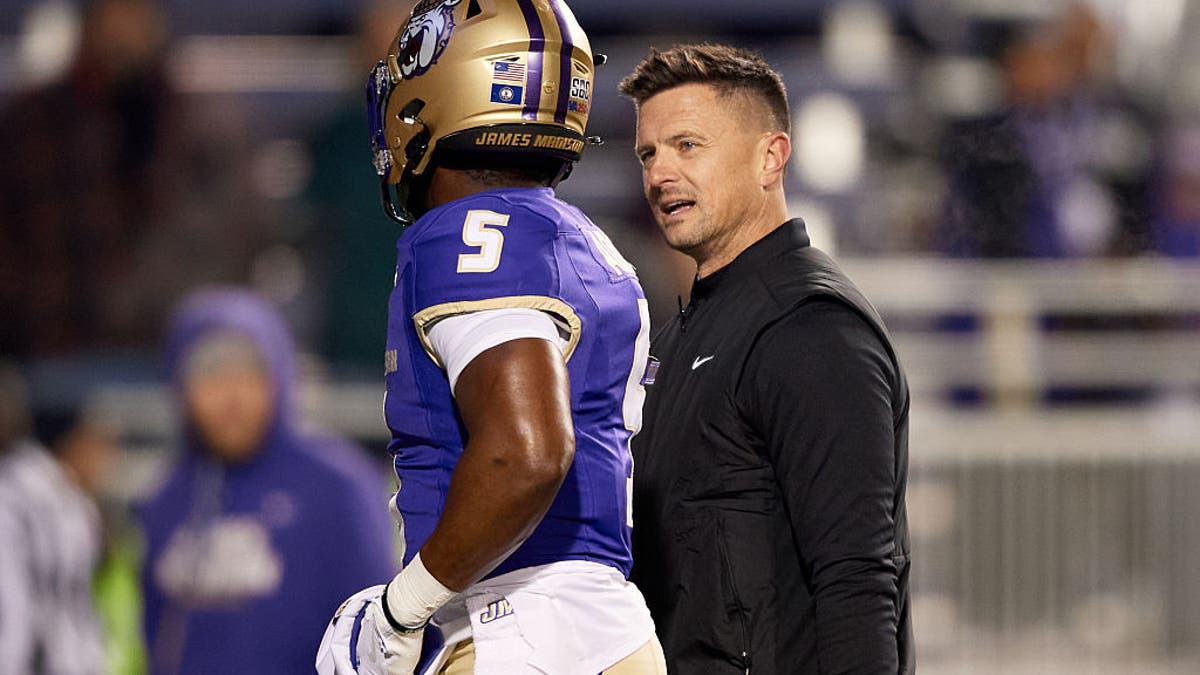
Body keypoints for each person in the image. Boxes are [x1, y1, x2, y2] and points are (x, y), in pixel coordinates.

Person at [315, 1, 664, 673]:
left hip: (513, 628)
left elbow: (527, 451)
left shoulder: (469, 236)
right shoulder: (579, 240)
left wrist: (400, 608)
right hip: (605, 627)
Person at [619, 45, 914, 674]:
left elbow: (856, 580)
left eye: (687, 146)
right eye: (648, 154)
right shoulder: (675, 341)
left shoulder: (812, 329)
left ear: (771, 157)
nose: (660, 172)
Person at [136, 288, 395, 675]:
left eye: (249, 373)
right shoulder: (167, 496)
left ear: (280, 378)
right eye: (209, 375)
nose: (231, 397)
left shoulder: (337, 486)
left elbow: (376, 636)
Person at [0, 364, 110, 675]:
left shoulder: (72, 500)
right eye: (96, 439)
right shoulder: (14, 499)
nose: (107, 454)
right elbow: (12, 609)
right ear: (70, 440)